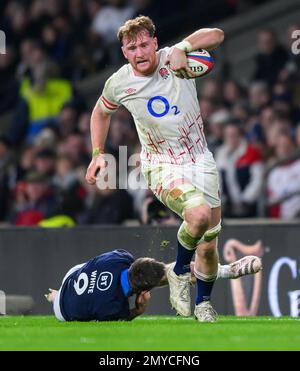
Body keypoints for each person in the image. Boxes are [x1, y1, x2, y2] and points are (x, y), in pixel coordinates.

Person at [85, 16, 226, 322]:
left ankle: (203, 303)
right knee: (198, 215)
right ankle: (177, 272)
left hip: (200, 160)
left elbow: (216, 34)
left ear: (155, 43)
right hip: (161, 163)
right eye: (131, 47)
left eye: (144, 44)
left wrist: (185, 46)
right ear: (124, 51)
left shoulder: (175, 57)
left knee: (209, 245)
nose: (139, 52)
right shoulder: (120, 83)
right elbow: (99, 113)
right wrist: (98, 153)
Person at [45, 249, 262, 322]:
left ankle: (226, 271)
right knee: (172, 273)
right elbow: (121, 316)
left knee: (174, 272)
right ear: (143, 292)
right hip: (62, 309)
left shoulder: (119, 259)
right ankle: (225, 271)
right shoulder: (113, 307)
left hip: (72, 275)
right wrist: (139, 310)